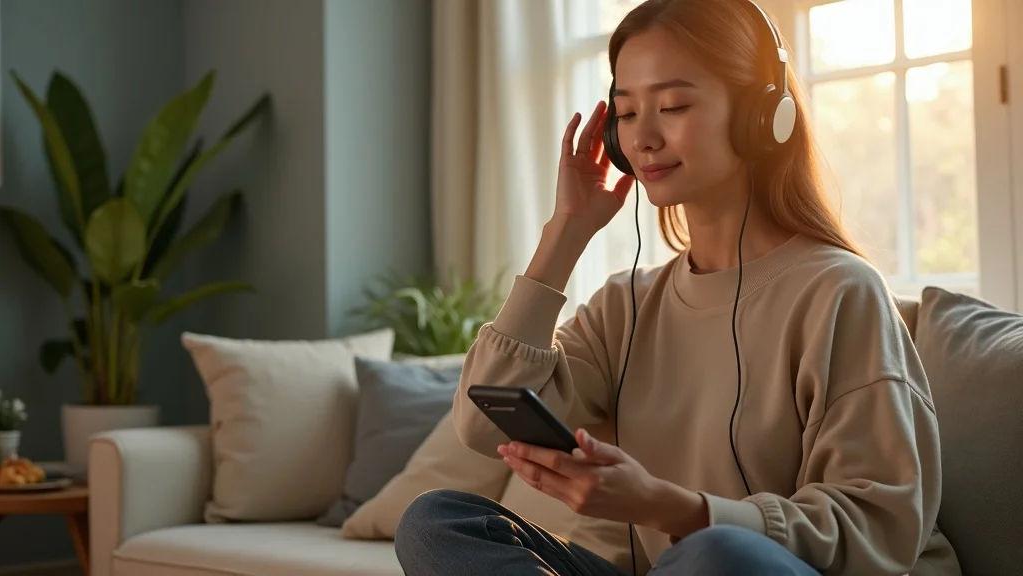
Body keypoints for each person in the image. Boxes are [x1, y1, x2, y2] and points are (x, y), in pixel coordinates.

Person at [394, 0, 962, 574]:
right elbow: (482, 423)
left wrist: (670, 507)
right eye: (626, 112)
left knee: (717, 552)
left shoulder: (840, 292)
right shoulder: (625, 305)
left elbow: (878, 528)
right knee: (437, 523)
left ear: (762, 118)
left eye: (673, 105)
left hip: (764, 568)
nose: (643, 138)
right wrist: (566, 230)